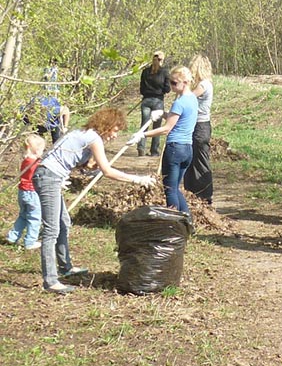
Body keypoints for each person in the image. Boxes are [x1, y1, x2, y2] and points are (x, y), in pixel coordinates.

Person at [33, 108, 156, 294]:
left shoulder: (82, 134)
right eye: (114, 130)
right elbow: (108, 171)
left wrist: (89, 166)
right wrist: (137, 179)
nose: (115, 136)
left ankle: (66, 267)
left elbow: (79, 162)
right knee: (51, 230)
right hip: (49, 177)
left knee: (64, 222)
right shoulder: (94, 139)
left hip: (49, 175)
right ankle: (50, 281)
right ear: (105, 125)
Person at [128, 66, 198, 217]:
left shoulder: (179, 103)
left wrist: (142, 135)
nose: (171, 86)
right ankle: (187, 220)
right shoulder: (192, 99)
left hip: (175, 149)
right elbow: (178, 119)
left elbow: (166, 129)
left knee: (170, 189)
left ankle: (173, 221)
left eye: (174, 83)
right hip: (187, 149)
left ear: (185, 82)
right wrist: (163, 114)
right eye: (170, 82)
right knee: (175, 187)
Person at [6, 134, 46, 250]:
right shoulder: (36, 163)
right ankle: (30, 241)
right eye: (42, 150)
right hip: (33, 193)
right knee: (35, 218)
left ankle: (12, 236)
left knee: (23, 215)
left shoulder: (26, 160)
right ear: (37, 150)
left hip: (22, 192)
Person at [184, 55, 215, 204]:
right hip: (195, 126)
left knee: (201, 161)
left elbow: (188, 97)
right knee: (191, 160)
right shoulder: (203, 84)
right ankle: (192, 192)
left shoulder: (204, 85)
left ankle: (205, 195)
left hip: (200, 127)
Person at [138, 50, 170, 156]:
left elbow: (141, 88)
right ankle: (154, 151)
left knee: (144, 125)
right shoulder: (164, 72)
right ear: (162, 60)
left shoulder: (145, 71)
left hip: (146, 100)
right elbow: (167, 88)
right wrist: (162, 91)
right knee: (157, 127)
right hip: (158, 100)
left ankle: (141, 147)